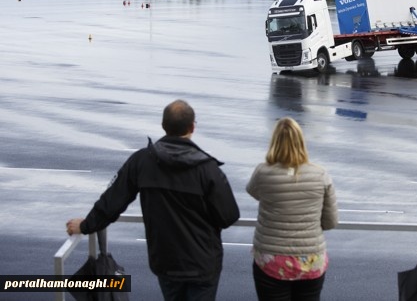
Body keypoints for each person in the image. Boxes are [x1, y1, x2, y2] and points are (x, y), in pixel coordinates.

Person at [66, 99, 240, 301]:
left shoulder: (142, 161)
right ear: (192, 127)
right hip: (202, 262)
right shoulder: (207, 169)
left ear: (163, 125)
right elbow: (228, 216)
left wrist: (86, 225)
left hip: (166, 261)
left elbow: (113, 200)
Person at [246, 117, 338, 301]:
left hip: (271, 259)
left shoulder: (262, 173)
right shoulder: (320, 175)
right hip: (310, 259)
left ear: (274, 141)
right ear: (301, 141)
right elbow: (330, 222)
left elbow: (254, 192)